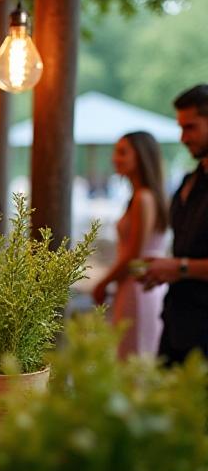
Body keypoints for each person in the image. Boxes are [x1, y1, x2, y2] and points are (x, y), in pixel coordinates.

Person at [143, 84, 208, 365]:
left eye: (191, 127)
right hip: (176, 322)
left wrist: (178, 267)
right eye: (180, 127)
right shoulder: (189, 182)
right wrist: (166, 269)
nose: (183, 137)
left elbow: (185, 261)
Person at [91, 132, 168, 358]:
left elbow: (134, 255)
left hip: (138, 284)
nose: (115, 158)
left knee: (134, 355)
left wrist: (102, 283)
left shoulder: (143, 198)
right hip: (142, 284)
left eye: (123, 152)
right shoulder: (145, 196)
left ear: (142, 156)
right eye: (116, 152)